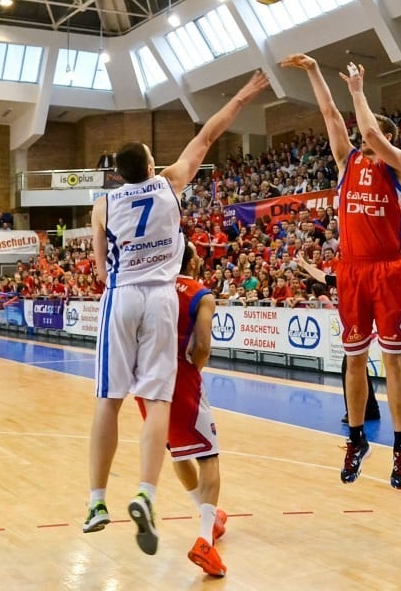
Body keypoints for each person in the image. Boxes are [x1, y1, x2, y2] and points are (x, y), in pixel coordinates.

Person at [83, 72, 269, 554]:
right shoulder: (169, 184)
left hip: (121, 294)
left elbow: (101, 266)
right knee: (158, 404)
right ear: (149, 163)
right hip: (161, 296)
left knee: (109, 399)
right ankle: (147, 491)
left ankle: (97, 500)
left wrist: (111, 271)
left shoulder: (102, 204)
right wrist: (246, 92)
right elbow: (208, 134)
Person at [281, 54, 401, 489]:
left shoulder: (400, 166)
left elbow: (371, 130)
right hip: (353, 270)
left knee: (392, 361)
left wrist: (359, 91)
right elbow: (328, 114)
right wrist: (316, 70)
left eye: (373, 130)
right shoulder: (347, 163)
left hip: (387, 271)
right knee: (353, 362)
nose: (363, 133)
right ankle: (357, 440)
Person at [137, 242, 227, 576]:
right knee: (209, 456)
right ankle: (205, 539)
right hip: (181, 379)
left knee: (177, 451)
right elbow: (202, 346)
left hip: (146, 383)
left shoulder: (148, 288)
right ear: (191, 260)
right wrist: (195, 371)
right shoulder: (201, 294)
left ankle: (211, 519)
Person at [295, 255, 381, 425]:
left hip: (364, 325)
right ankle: (370, 409)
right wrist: (305, 264)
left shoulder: (362, 279)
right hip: (356, 326)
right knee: (358, 367)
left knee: (350, 367)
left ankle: (357, 411)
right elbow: (322, 276)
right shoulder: (344, 278)